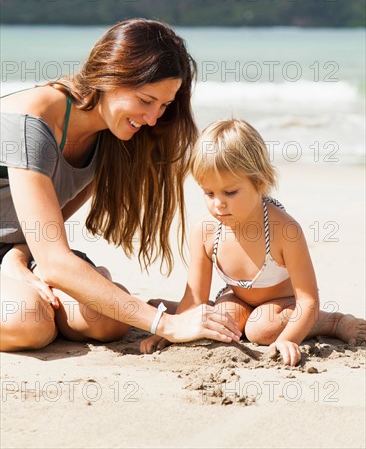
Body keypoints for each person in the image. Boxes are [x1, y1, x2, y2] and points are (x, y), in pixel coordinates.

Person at [0, 19, 242, 352]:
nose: (154, 118)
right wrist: (166, 323)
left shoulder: (109, 137)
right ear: (111, 75)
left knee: (106, 323)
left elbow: (46, 230)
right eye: (146, 100)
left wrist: (16, 256)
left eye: (164, 105)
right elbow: (54, 260)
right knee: (27, 321)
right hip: (43, 258)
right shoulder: (33, 122)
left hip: (24, 252)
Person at [141, 119, 366, 365]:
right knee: (222, 322)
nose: (218, 203)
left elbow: (308, 300)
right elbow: (196, 297)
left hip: (285, 304)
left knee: (263, 329)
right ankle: (180, 309)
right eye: (209, 193)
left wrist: (289, 338)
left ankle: (334, 321)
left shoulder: (285, 230)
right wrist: (172, 330)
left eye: (230, 192)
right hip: (236, 299)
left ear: (259, 182)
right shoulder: (204, 231)